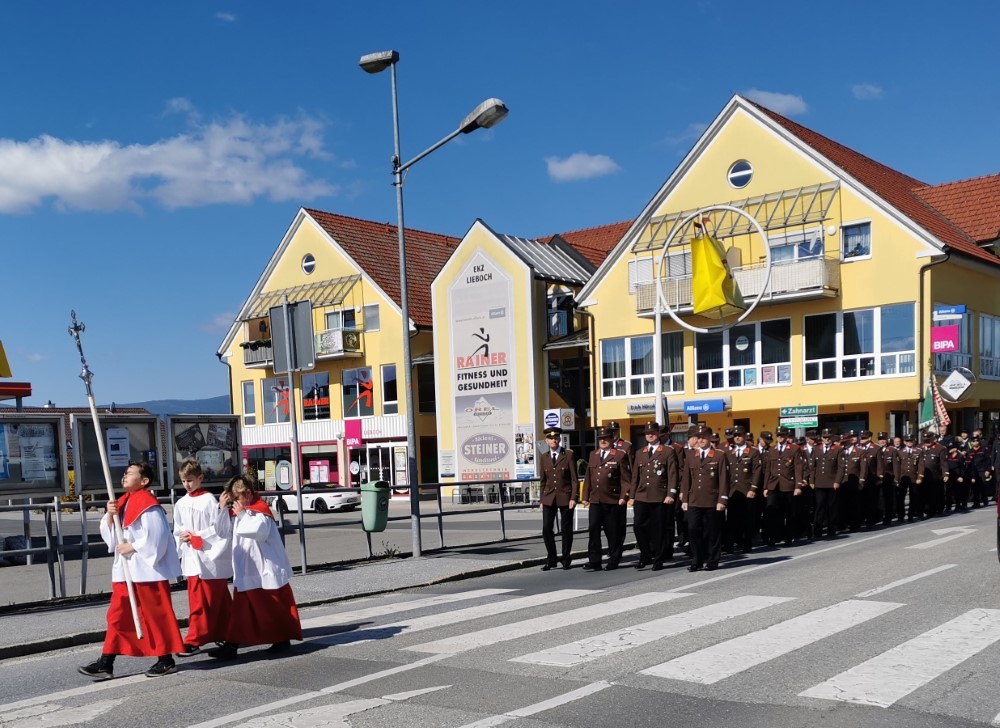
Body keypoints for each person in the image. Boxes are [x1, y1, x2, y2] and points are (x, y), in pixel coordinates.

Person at [79, 462, 184, 680]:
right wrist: (110, 516)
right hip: (125, 570)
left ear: (144, 481)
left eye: (130, 473)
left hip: (147, 571)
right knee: (117, 615)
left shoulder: (149, 506)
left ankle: (166, 659)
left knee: (155, 616)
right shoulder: (122, 502)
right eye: (125, 473)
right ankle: (106, 661)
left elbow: (157, 537)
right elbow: (112, 534)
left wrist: (133, 546)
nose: (125, 475)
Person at [210, 475, 302, 658]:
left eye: (237, 497)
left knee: (271, 608)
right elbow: (221, 532)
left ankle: (281, 638)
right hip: (245, 569)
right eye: (232, 499)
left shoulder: (260, 510)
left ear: (247, 494)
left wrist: (242, 514)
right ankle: (232, 644)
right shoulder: (239, 512)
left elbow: (258, 532)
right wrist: (222, 509)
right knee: (240, 610)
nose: (234, 502)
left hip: (263, 569)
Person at [173, 460, 233, 656]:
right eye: (183, 481)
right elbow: (178, 528)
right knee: (199, 600)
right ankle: (212, 635)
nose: (187, 485)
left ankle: (205, 637)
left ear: (200, 478)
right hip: (192, 556)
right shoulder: (181, 503)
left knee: (216, 600)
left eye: (190, 480)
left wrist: (198, 536)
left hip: (209, 557)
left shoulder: (208, 501)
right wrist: (183, 536)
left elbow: (219, 528)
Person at [581, 427, 631, 571]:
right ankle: (594, 560)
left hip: (612, 500)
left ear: (611, 439)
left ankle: (614, 558)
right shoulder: (593, 455)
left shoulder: (619, 455)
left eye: (606, 438)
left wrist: (624, 496)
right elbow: (588, 477)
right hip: (596, 499)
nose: (603, 441)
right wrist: (585, 496)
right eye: (600, 439)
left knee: (612, 532)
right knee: (593, 530)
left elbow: (626, 479)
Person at [628, 422, 676, 571]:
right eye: (647, 433)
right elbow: (635, 476)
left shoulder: (667, 451)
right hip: (641, 495)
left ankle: (658, 559)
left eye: (653, 433)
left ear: (658, 434)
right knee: (638, 526)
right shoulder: (640, 452)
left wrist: (671, 493)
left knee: (658, 529)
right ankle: (645, 554)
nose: (650, 435)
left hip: (659, 496)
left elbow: (672, 474)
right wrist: (632, 495)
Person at [680, 426, 729, 571]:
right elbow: (686, 479)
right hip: (694, 499)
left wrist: (722, 500)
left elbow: (723, 479)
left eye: (703, 437)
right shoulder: (691, 455)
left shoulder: (719, 455)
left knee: (712, 531)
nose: (701, 440)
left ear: (709, 438)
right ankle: (697, 560)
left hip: (712, 500)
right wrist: (685, 499)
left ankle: (712, 560)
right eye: (698, 438)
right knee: (693, 529)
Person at [538, 426, 576, 571]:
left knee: (566, 529)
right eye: (550, 438)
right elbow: (543, 480)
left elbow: (573, 479)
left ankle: (565, 558)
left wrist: (573, 497)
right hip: (549, 497)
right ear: (546, 441)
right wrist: (542, 499)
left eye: (556, 438)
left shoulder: (568, 455)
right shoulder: (544, 457)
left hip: (565, 496)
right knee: (547, 528)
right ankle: (551, 558)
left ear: (559, 439)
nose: (553, 440)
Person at [763, 427, 804, 545]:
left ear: (786, 436)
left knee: (789, 512)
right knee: (772, 511)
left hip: (788, 484)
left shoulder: (794, 449)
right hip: (774, 485)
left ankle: (788, 537)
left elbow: (798, 468)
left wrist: (798, 486)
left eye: (782, 435)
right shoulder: (772, 449)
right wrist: (766, 487)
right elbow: (768, 470)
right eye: (778, 435)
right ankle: (774, 537)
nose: (779, 437)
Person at [724, 425, 762, 554]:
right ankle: (731, 544)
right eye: (735, 436)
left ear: (744, 436)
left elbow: (757, 472)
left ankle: (746, 544)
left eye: (739, 435)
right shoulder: (729, 453)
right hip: (732, 491)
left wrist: (753, 488)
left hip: (746, 490)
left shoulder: (753, 452)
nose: (737, 438)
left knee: (747, 519)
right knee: (731, 519)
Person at [810, 428, 842, 538]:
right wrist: (811, 480)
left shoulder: (837, 449)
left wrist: (837, 481)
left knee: (831, 507)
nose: (827, 439)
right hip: (819, 482)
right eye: (825, 437)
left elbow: (841, 467)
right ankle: (817, 531)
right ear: (821, 438)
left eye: (828, 437)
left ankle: (831, 529)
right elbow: (813, 467)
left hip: (832, 482)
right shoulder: (816, 449)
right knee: (819, 506)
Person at [895, 434, 925, 522]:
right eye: (907, 441)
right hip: (903, 477)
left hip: (914, 477)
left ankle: (911, 515)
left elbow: (921, 465)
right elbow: (897, 466)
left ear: (914, 441)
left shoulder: (919, 451)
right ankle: (901, 516)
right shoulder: (900, 452)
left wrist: (920, 477)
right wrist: (897, 478)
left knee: (914, 496)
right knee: (900, 497)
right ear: (904, 442)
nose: (909, 442)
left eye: (911, 441)